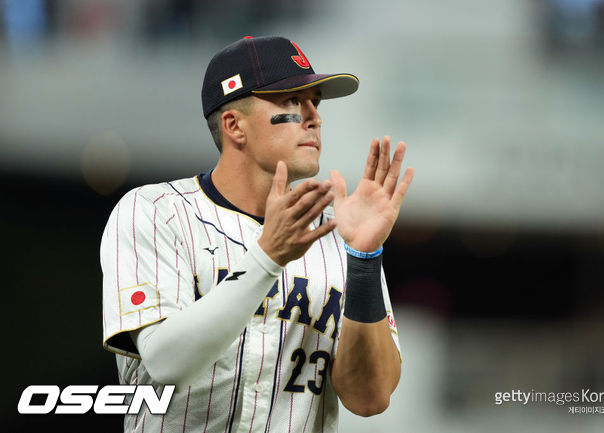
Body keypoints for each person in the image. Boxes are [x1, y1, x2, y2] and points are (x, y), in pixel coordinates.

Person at [101, 35, 414, 433]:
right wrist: (267, 258)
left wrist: (366, 261)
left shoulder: (342, 238)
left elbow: (370, 399)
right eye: (290, 102)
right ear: (234, 125)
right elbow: (165, 363)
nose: (314, 117)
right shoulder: (156, 212)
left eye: (314, 102)